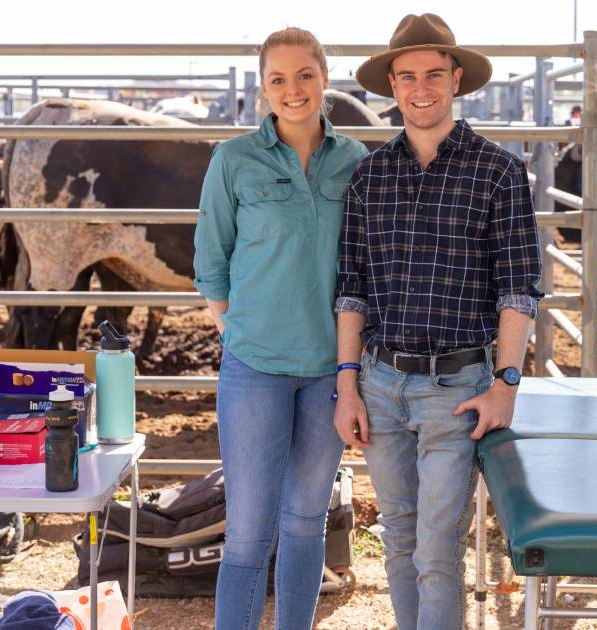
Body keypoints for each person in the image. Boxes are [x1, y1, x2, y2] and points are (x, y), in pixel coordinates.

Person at [332, 13, 543, 629]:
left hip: (457, 388)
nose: (419, 88)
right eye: (406, 76)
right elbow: (352, 287)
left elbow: (518, 288)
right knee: (398, 537)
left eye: (432, 74)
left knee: (436, 548)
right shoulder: (370, 176)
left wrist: (505, 382)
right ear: (392, 87)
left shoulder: (498, 171)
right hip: (380, 381)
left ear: (455, 78)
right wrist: (348, 385)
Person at [192, 26, 370, 630]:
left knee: (304, 521)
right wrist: (241, 335)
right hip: (254, 370)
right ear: (263, 89)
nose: (292, 90)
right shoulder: (234, 159)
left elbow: (366, 266)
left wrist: (350, 368)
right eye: (278, 79)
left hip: (330, 372)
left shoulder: (355, 162)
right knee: (248, 531)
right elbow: (211, 263)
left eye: (304, 75)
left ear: (324, 78)